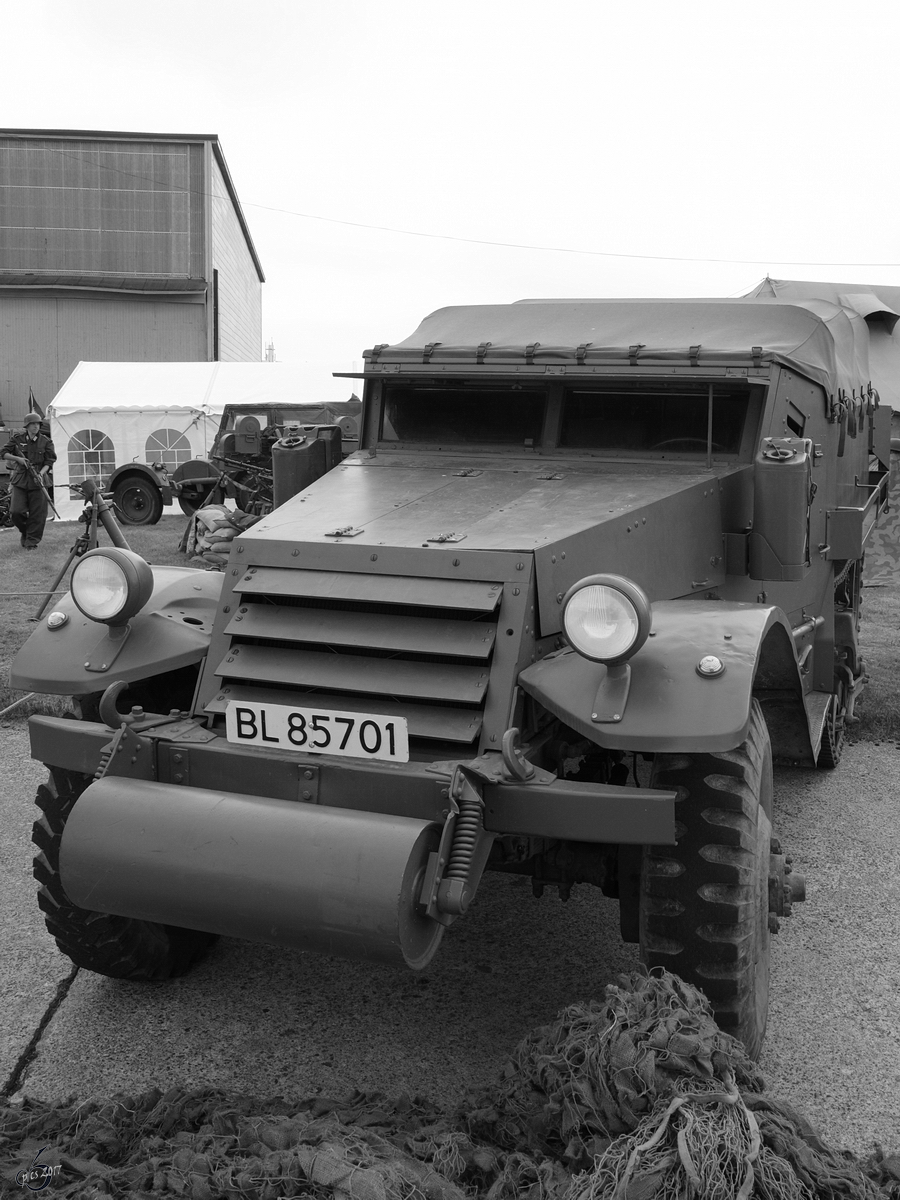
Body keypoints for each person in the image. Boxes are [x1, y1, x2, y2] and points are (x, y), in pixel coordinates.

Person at [1, 412, 57, 549]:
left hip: (39, 479)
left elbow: (50, 461)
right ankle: (26, 532)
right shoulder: (17, 439)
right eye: (32, 424)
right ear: (27, 426)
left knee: (38, 514)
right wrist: (17, 459)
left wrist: (41, 473)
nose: (35, 426)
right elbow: (3, 453)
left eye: (37, 424)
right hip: (21, 479)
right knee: (16, 512)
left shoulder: (46, 441)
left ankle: (31, 542)